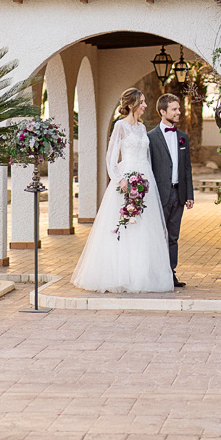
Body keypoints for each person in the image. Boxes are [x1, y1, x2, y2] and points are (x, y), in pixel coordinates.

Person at [71, 88, 173, 294]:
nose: (145, 105)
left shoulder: (143, 129)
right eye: (142, 102)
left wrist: (147, 181)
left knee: (144, 227)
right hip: (126, 178)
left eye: (145, 101)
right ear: (131, 105)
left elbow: (146, 157)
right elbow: (110, 157)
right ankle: (120, 275)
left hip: (144, 178)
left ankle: (141, 275)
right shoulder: (120, 126)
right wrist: (120, 180)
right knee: (124, 225)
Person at [147, 94, 194, 289]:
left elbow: (187, 168)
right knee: (157, 236)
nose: (178, 112)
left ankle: (171, 274)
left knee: (173, 236)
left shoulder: (183, 137)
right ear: (162, 112)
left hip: (179, 194)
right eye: (174, 109)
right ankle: (155, 274)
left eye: (178, 109)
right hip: (159, 195)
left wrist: (189, 194)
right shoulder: (150, 138)